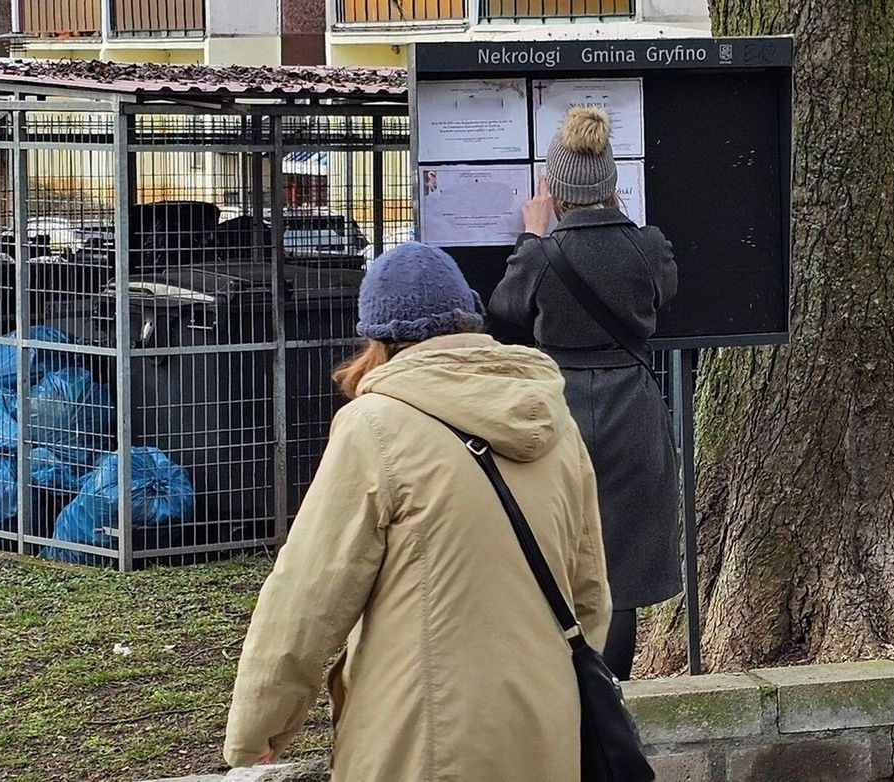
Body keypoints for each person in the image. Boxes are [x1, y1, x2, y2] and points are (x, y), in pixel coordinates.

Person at [224, 241, 611, 781]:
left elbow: (309, 596)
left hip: (421, 735)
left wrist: (257, 731)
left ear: (376, 338)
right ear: (468, 319)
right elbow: (589, 591)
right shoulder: (553, 419)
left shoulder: (374, 428)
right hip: (547, 725)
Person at [490, 106, 681, 681]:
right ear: (611, 185)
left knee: (551, 551)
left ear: (555, 189)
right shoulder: (649, 247)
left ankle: (558, 685)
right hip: (633, 409)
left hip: (559, 410)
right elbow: (664, 292)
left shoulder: (541, 255)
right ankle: (610, 692)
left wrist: (530, 233)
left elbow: (504, 312)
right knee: (619, 569)